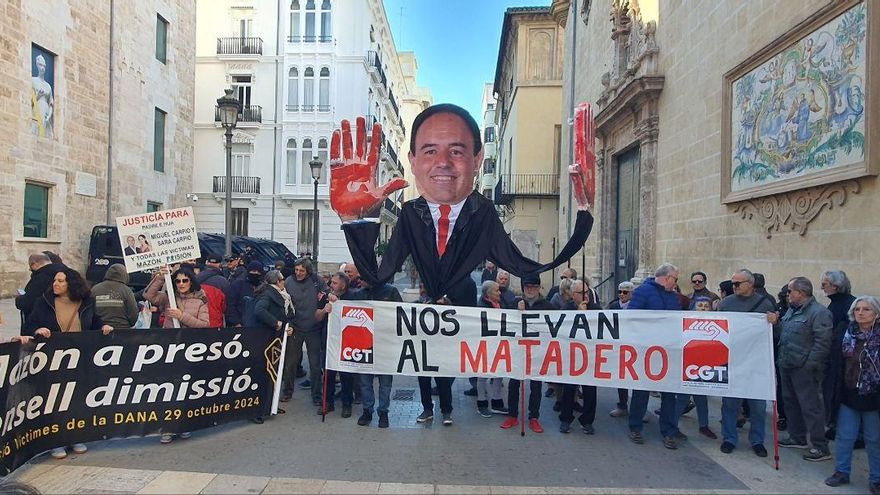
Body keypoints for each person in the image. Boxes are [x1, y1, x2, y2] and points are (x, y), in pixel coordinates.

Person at [335, 102, 594, 307]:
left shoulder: (482, 213)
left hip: (459, 346)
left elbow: (524, 266)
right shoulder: (412, 214)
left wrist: (584, 212)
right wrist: (355, 219)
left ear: (478, 158)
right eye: (430, 151)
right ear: (413, 161)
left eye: (457, 151)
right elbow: (377, 276)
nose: (444, 162)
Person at [24, 267, 112, 459]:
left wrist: (103, 326)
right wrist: (38, 329)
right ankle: (57, 440)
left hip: (80, 357)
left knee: (77, 398)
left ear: (71, 283)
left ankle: (75, 436)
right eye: (55, 280)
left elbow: (94, 321)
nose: (56, 284)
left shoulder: (86, 302)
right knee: (56, 399)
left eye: (61, 281)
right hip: (53, 360)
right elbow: (29, 325)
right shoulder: (44, 302)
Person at [716, 270, 778, 457]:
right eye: (732, 283)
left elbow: (774, 335)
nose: (733, 287)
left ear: (750, 284)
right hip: (732, 359)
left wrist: (774, 323)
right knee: (730, 403)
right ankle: (729, 438)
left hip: (755, 361)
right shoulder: (726, 303)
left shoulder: (765, 303)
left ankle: (757, 440)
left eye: (737, 284)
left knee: (758, 405)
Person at [824, 296, 880, 492]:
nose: (861, 313)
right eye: (857, 309)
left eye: (866, 309)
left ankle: (876, 478)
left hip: (873, 395)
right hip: (849, 392)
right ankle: (842, 472)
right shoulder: (845, 332)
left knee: (874, 438)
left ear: (876, 313)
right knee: (845, 436)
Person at [776, 276, 834, 461]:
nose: (788, 294)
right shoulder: (792, 311)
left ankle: (820, 446)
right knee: (790, 402)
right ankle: (797, 436)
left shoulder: (819, 313)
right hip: (787, 363)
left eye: (790, 291)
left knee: (811, 407)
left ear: (800, 293)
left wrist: (809, 365)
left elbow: (822, 343)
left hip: (804, 368)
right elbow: (785, 332)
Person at [627, 263, 682, 449]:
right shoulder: (643, 292)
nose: (675, 283)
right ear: (666, 277)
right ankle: (635, 427)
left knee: (669, 394)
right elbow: (631, 317)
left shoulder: (673, 297)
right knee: (641, 391)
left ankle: (669, 431)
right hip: (646, 350)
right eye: (675, 279)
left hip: (668, 351)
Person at [501, 275, 555, 434]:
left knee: (536, 385)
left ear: (539, 288)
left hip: (538, 351)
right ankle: (512, 415)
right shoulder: (514, 303)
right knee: (514, 383)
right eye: (527, 286)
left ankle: (534, 417)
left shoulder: (548, 306)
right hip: (518, 350)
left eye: (533, 286)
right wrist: (517, 312)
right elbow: (504, 323)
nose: (530, 289)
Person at [357, 281, 403, 428]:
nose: (360, 280)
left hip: (385, 344)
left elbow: (402, 313)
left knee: (385, 382)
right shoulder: (359, 294)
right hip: (365, 344)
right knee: (365, 381)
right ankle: (367, 411)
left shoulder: (391, 291)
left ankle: (383, 412)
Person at [282, 258, 325, 406]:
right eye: (296, 270)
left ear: (308, 271)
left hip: (313, 328)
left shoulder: (316, 280)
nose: (298, 273)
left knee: (315, 365)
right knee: (290, 363)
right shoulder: (288, 281)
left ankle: (317, 395)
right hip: (296, 327)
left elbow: (326, 294)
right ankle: (287, 391)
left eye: (301, 270)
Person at [316, 272, 358, 417]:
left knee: (346, 375)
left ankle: (347, 404)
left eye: (334, 283)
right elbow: (317, 316)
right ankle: (327, 402)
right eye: (331, 282)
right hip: (328, 341)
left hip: (346, 342)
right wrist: (324, 310)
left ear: (343, 285)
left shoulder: (353, 297)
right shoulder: (326, 296)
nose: (331, 285)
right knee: (328, 374)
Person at [821, 269, 856, 439]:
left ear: (836, 286)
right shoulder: (835, 303)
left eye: (825, 284)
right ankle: (834, 424)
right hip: (833, 358)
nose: (822, 287)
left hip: (844, 361)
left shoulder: (850, 304)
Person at [475, 281, 507, 417]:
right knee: (483, 375)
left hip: (499, 344)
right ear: (488, 294)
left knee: (499, 373)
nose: (499, 293)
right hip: (485, 345)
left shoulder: (500, 303)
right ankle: (482, 403)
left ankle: (496, 402)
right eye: (496, 291)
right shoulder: (481, 306)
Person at [144, 266, 209, 330]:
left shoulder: (200, 300)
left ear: (191, 282)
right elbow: (148, 295)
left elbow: (204, 324)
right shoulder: (169, 297)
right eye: (178, 281)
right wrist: (160, 278)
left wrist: (181, 316)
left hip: (190, 338)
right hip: (169, 337)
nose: (181, 284)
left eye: (185, 281)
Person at [15, 252, 61, 334]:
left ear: (34, 264)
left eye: (31, 268)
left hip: (42, 324)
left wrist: (20, 299)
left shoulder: (40, 278)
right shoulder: (66, 272)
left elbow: (26, 302)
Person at [608, 281, 634, 418]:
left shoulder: (637, 307)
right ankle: (622, 405)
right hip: (619, 345)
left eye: (625, 292)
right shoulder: (613, 306)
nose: (622, 295)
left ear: (631, 293)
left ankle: (637, 409)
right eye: (620, 292)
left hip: (634, 345)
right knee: (622, 377)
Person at [91, 263, 138, 330]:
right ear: (125, 275)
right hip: (122, 332)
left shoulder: (94, 289)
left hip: (99, 332)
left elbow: (89, 312)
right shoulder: (127, 291)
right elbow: (133, 315)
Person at [226, 262, 265, 327]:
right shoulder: (238, 285)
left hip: (258, 325)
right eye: (254, 271)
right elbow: (230, 304)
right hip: (240, 324)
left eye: (259, 272)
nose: (256, 273)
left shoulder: (263, 287)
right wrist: (236, 322)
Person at [197, 254, 229, 327]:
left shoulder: (195, 278)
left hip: (197, 322)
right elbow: (226, 307)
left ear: (207, 262)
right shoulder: (223, 282)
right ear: (220, 264)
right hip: (215, 323)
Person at [31, 53, 54, 138]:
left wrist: (49, 116)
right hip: (37, 108)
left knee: (46, 134)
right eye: (40, 65)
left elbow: (51, 103)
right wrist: (38, 95)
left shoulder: (48, 86)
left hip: (46, 111)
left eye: (44, 65)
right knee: (36, 130)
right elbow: (28, 102)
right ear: (37, 65)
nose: (42, 68)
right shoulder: (33, 80)